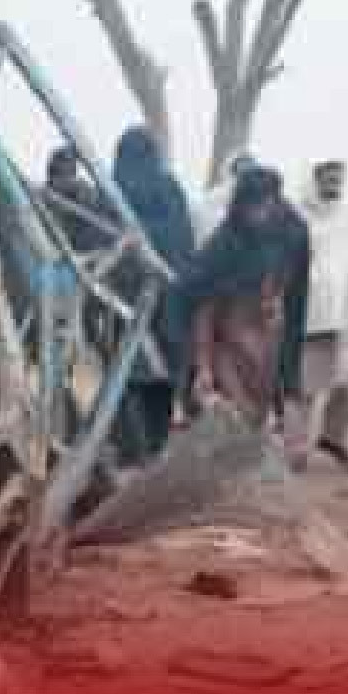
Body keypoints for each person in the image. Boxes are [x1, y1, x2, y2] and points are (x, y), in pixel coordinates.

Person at [182, 165, 309, 429]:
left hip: (265, 344)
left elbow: (296, 309)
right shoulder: (225, 241)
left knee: (256, 419)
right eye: (251, 207)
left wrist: (290, 389)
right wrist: (203, 367)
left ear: (275, 202)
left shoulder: (294, 232)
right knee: (230, 417)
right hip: (228, 339)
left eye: (264, 206)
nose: (257, 215)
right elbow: (201, 305)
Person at [111, 125, 197, 464]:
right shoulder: (169, 187)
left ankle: (136, 448)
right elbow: (184, 243)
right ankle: (155, 446)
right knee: (160, 372)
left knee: (128, 374)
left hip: (126, 296)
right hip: (166, 295)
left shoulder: (115, 189)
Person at [292, 159, 348, 466]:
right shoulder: (296, 216)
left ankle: (332, 438)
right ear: (314, 179)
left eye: (338, 180)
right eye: (327, 179)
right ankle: (297, 451)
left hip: (347, 313)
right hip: (311, 313)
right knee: (306, 385)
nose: (333, 185)